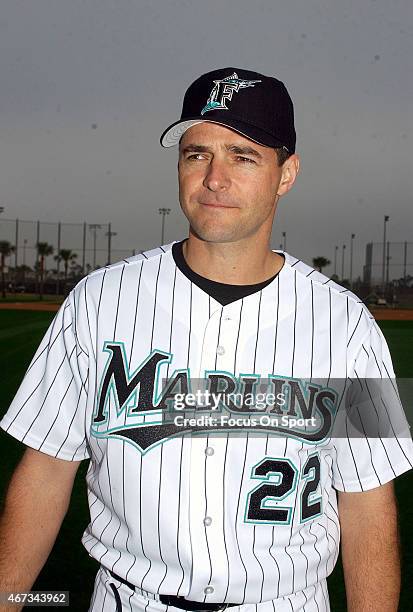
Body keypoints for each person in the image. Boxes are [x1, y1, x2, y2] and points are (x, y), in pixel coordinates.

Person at [0, 67, 412, 612]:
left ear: (286, 174)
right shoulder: (96, 301)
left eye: (243, 156)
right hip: (129, 601)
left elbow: (367, 503)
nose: (215, 178)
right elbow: (48, 468)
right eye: (198, 154)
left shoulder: (350, 323)